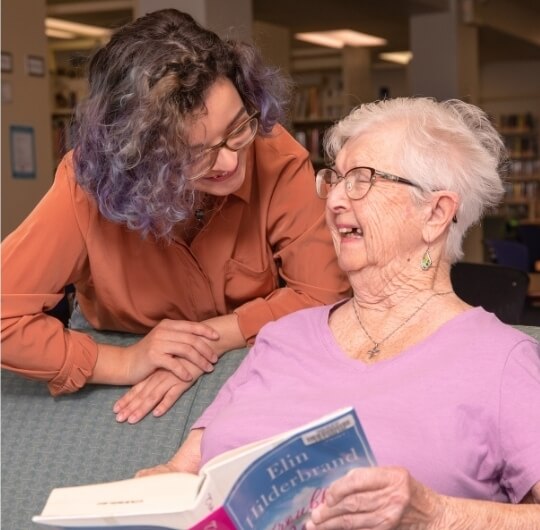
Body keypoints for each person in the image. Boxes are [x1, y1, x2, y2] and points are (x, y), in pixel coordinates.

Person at [138, 97, 540, 528]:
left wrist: (437, 515)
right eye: (334, 179)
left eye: (362, 180)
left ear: (436, 213)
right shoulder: (282, 337)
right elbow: (178, 475)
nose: (333, 203)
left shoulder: (502, 361)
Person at [0, 9, 349, 424]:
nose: (230, 160)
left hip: (254, 357)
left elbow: (325, 295)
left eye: (238, 128)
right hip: (118, 381)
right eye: (195, 152)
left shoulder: (275, 154)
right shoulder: (85, 184)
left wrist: (207, 340)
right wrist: (125, 363)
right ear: (138, 155)